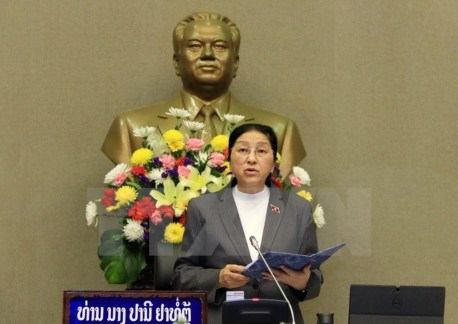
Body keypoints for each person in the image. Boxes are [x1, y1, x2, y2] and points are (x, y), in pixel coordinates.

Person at [101, 12, 305, 178]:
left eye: (220, 46)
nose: (208, 54)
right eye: (195, 46)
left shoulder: (280, 130)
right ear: (176, 62)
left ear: (235, 63)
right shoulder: (130, 127)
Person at [172, 124, 323, 324]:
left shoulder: (296, 209)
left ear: (273, 162)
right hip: (224, 318)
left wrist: (303, 283)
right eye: (243, 150)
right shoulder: (206, 209)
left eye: (261, 151)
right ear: (230, 159)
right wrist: (219, 278)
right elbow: (184, 275)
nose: (251, 158)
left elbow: (315, 274)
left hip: (281, 318)